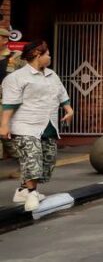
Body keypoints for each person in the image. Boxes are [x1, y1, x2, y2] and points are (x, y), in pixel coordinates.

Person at [0, 40, 73, 212]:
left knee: (48, 161)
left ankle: (23, 190)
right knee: (32, 159)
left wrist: (69, 109)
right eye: (47, 54)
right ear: (36, 55)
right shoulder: (16, 78)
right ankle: (32, 193)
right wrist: (4, 125)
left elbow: (62, 93)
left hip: (48, 125)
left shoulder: (51, 75)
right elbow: (9, 104)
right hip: (26, 126)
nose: (50, 57)